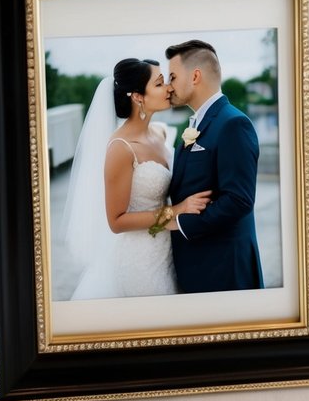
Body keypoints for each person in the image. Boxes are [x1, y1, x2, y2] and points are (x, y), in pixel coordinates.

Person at [61, 57, 211, 300]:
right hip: (139, 261)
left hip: (169, 251)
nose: (169, 88)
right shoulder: (121, 148)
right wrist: (177, 210)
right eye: (160, 84)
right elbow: (117, 221)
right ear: (138, 96)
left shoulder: (161, 133)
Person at [166, 38, 264, 293]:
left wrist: (180, 222)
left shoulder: (233, 124)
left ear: (195, 76)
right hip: (197, 266)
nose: (169, 86)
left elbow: (239, 200)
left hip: (225, 270)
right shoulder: (195, 124)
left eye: (173, 77)